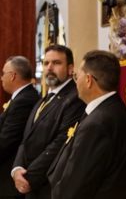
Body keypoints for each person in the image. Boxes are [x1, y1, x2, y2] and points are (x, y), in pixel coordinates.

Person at [48, 50, 126, 199]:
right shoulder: (114, 109)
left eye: (77, 76)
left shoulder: (97, 123)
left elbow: (75, 186)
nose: (76, 82)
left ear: (88, 80)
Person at [12, 45, 85, 199]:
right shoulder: (44, 98)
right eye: (46, 63)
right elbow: (26, 138)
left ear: (71, 68)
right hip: (30, 184)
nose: (49, 68)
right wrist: (17, 168)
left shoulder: (75, 99)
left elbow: (60, 144)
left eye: (56, 63)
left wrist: (29, 178)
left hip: (48, 187)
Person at [0, 56, 39, 199]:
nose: (1, 78)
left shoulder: (24, 100)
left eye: (3, 74)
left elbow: (7, 140)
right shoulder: (20, 97)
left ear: (13, 76)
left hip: (10, 176)